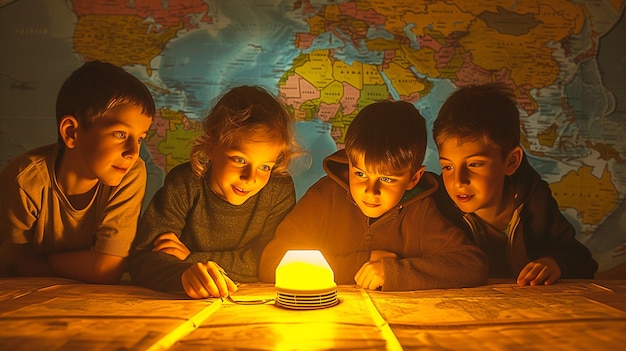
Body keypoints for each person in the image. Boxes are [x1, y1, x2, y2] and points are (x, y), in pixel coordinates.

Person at [259, 100, 488, 291]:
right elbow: (271, 263)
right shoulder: (324, 197)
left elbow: (472, 265)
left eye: (387, 179)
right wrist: (361, 263)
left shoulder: (420, 212)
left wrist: (394, 273)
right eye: (360, 173)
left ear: (414, 179)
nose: (370, 190)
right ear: (349, 164)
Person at [128, 85, 301, 299]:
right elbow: (143, 259)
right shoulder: (185, 183)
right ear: (211, 147)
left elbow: (271, 261)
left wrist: (193, 258)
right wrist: (184, 274)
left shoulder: (278, 189)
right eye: (239, 160)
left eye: (265, 166)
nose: (250, 177)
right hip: (188, 302)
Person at [0, 61, 155, 284]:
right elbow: (13, 264)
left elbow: (106, 267)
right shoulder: (25, 181)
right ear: (72, 132)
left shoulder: (130, 172)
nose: (133, 151)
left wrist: (46, 261)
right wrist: (88, 263)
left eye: (140, 138)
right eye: (120, 134)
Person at [432, 83, 598, 286]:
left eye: (475, 164)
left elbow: (582, 260)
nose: (459, 181)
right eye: (447, 167)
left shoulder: (534, 200)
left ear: (511, 162)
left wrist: (554, 263)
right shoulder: (434, 205)